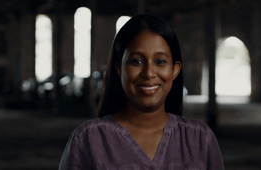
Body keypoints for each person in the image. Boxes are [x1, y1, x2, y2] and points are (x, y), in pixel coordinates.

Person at [59, 14, 224, 170]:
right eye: (136, 61)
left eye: (160, 61)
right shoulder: (88, 139)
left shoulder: (200, 140)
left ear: (175, 70)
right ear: (119, 68)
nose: (149, 73)